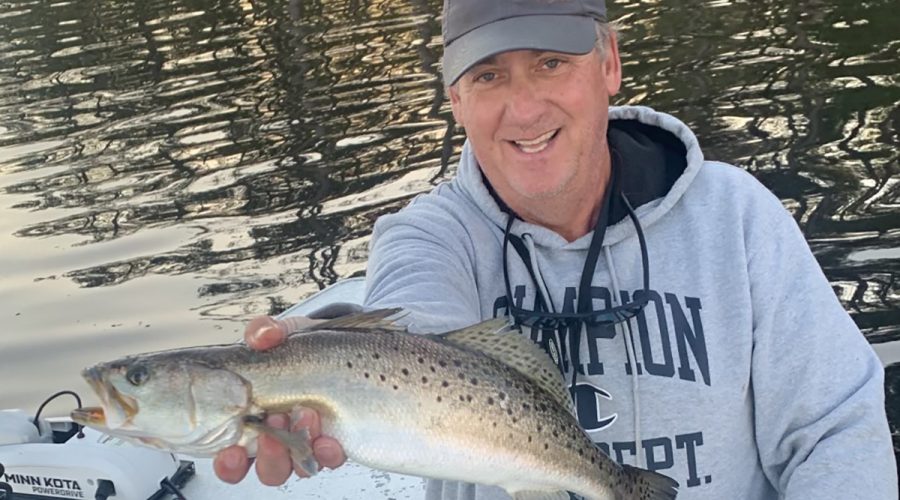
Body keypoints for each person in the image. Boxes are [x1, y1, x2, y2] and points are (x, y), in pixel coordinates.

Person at [214, 0, 898, 498]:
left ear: (609, 65)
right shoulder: (427, 236)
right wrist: (329, 352)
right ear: (455, 98)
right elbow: (416, 325)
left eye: (550, 63)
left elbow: (834, 427)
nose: (526, 109)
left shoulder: (736, 215)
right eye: (488, 76)